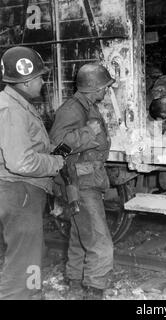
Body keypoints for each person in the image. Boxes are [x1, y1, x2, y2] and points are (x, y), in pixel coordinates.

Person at [0, 46, 65, 299]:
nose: (43, 81)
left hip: (22, 193)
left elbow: (30, 146)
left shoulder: (18, 104)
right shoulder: (11, 110)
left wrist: (53, 151)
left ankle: (33, 294)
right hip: (20, 192)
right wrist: (55, 162)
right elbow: (22, 162)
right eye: (39, 76)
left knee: (31, 256)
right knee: (23, 264)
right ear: (26, 81)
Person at [49, 63, 115, 300]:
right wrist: (89, 132)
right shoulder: (72, 109)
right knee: (99, 241)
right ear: (93, 87)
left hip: (87, 180)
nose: (106, 91)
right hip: (80, 183)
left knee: (80, 234)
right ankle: (94, 289)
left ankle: (75, 281)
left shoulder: (87, 106)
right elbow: (57, 149)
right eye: (105, 86)